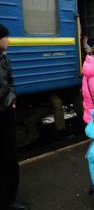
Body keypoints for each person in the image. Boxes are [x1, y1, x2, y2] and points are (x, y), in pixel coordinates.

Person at [0, 24, 31, 210]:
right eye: (6, 37)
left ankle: (8, 199)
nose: (9, 41)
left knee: (9, 157)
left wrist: (11, 100)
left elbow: (10, 82)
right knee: (5, 158)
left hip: (6, 112)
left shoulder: (5, 59)